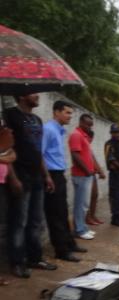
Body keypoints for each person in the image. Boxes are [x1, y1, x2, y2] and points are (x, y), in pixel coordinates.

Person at [4, 93, 57, 278]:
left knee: (36, 221)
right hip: (21, 175)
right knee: (19, 221)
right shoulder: (10, 115)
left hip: (37, 177)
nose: (37, 96)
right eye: (34, 93)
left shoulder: (37, 119)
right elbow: (4, 148)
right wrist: (13, 178)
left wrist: (47, 175)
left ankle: (35, 258)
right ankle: (17, 262)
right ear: (22, 95)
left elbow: (37, 149)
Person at [42, 101, 87, 261]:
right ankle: (61, 250)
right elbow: (40, 154)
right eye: (67, 113)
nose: (70, 116)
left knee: (62, 212)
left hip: (59, 174)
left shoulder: (58, 130)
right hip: (51, 175)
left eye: (70, 113)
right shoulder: (48, 129)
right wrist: (47, 177)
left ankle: (69, 243)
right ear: (56, 112)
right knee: (55, 214)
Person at [69, 114, 105, 240]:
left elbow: (89, 156)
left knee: (84, 204)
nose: (89, 127)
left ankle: (82, 227)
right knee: (80, 204)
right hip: (81, 175)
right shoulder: (76, 135)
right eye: (87, 124)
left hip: (86, 175)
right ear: (80, 122)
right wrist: (87, 171)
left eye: (91, 125)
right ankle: (79, 230)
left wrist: (94, 170)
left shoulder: (84, 136)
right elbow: (75, 155)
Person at [0, 126, 16, 285]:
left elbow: (12, 156)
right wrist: (4, 155)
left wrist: (5, 155)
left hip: (3, 186)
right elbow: (8, 156)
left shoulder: (5, 145)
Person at [104, 124, 119, 227]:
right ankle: (115, 218)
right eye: (114, 132)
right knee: (115, 196)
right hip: (115, 174)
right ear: (111, 133)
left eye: (118, 132)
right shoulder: (109, 144)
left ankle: (118, 215)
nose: (117, 134)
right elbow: (111, 159)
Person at [85, 129, 104, 226]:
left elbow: (93, 160)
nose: (90, 140)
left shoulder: (89, 147)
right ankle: (88, 217)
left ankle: (92, 215)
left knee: (95, 195)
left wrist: (99, 170)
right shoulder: (84, 145)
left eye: (91, 138)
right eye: (89, 138)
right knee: (88, 197)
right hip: (86, 174)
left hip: (92, 174)